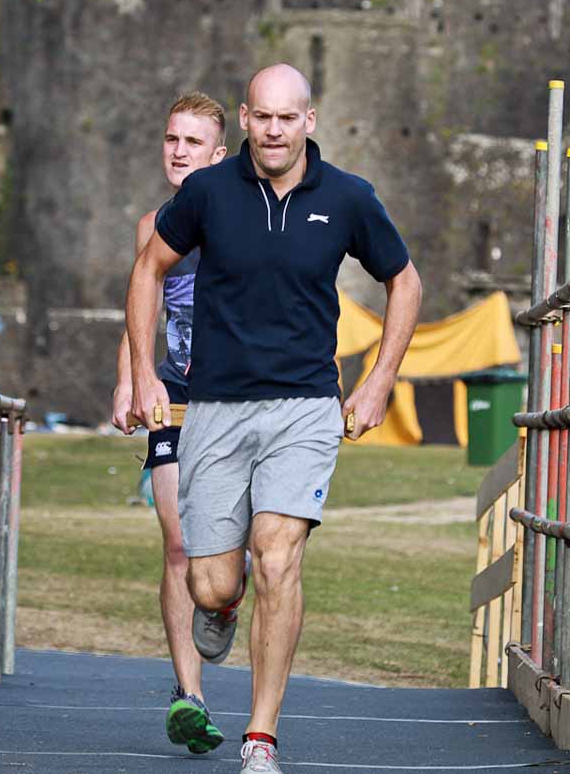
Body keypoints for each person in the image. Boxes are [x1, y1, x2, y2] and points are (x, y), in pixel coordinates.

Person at [125, 64, 422, 773]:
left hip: (304, 406)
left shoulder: (348, 197)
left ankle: (261, 738)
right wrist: (141, 371)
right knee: (211, 583)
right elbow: (148, 270)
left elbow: (404, 280)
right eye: (263, 117)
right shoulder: (206, 193)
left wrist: (380, 380)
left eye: (288, 118)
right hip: (216, 408)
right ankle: (224, 606)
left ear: (309, 121)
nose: (275, 131)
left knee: (278, 556)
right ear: (245, 119)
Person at [112, 92, 238, 755]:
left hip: (238, 402)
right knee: (179, 545)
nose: (179, 151)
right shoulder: (151, 226)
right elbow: (141, 308)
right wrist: (130, 379)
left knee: (233, 552)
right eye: (171, 139)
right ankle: (190, 695)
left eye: (193, 142)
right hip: (177, 396)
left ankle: (225, 600)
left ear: (218, 155)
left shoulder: (246, 219)